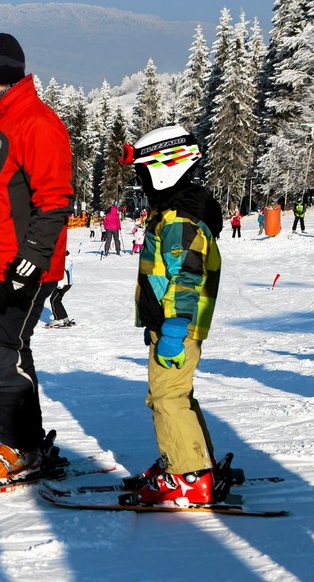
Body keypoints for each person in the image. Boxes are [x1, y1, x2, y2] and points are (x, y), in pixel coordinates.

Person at [0, 33, 73, 480]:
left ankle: (20, 446)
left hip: (21, 267)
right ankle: (23, 440)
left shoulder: (35, 123)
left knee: (4, 355)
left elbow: (55, 200)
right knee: (6, 352)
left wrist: (33, 260)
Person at [119, 125, 222, 506]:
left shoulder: (179, 219)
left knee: (166, 396)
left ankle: (188, 476)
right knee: (179, 394)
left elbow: (187, 275)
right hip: (169, 323)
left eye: (143, 173)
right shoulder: (173, 213)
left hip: (177, 325)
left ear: (164, 169)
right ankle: (194, 462)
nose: (142, 182)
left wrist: (175, 327)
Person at [46, 251, 74, 328]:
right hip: (67, 283)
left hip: (63, 284)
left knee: (53, 300)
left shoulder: (64, 261)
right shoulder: (68, 259)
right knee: (57, 300)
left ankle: (58, 319)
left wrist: (59, 285)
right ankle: (64, 318)